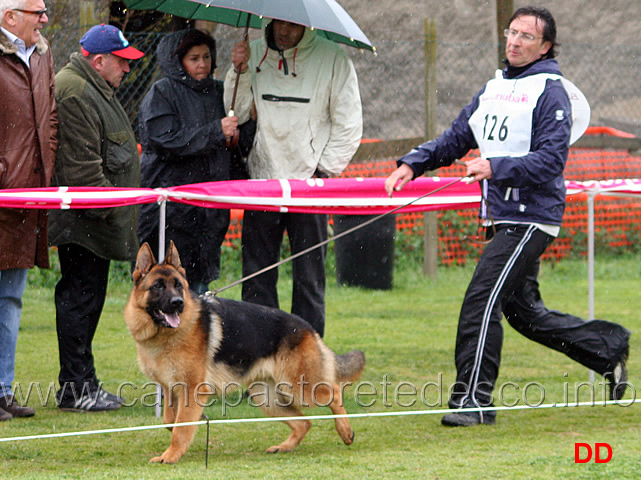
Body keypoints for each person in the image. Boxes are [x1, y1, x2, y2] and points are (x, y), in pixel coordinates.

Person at [385, 6, 630, 427]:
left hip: (532, 218)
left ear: (545, 46)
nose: (514, 42)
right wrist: (413, 163)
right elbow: (459, 136)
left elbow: (551, 160)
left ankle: (473, 402)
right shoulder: (494, 86)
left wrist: (495, 166)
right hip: (501, 216)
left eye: (526, 37)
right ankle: (607, 347)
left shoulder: (551, 91)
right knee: (524, 313)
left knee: (480, 302)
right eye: (511, 32)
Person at [224, 19, 363, 337]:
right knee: (256, 281)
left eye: (293, 25)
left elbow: (349, 123)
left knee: (310, 281)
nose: (284, 30)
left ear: (307, 24)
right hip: (263, 184)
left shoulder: (333, 59)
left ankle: (309, 371)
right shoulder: (252, 52)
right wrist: (239, 71)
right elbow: (238, 113)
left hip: (310, 188)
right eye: (280, 23)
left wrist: (323, 171)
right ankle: (258, 369)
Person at [48, 24, 144, 412]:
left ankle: (83, 383)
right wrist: (112, 211)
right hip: (86, 221)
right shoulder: (76, 90)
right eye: (122, 62)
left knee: (87, 299)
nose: (127, 70)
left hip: (96, 219)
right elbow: (83, 171)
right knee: (79, 300)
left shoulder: (92, 85)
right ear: (99, 60)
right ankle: (76, 388)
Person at [137, 29, 255, 295]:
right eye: (193, 58)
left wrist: (242, 128)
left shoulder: (220, 92)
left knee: (201, 286)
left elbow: (237, 144)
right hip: (171, 210)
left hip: (210, 209)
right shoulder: (162, 93)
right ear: (178, 61)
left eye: (206, 57)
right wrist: (216, 131)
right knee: (169, 287)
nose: (202, 64)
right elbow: (166, 140)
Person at [0, 0, 56, 422]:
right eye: (36, 11)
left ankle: (3, 391)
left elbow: (49, 118)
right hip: (6, 190)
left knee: (12, 298)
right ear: (9, 17)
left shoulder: (43, 54)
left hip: (27, 197)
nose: (44, 19)